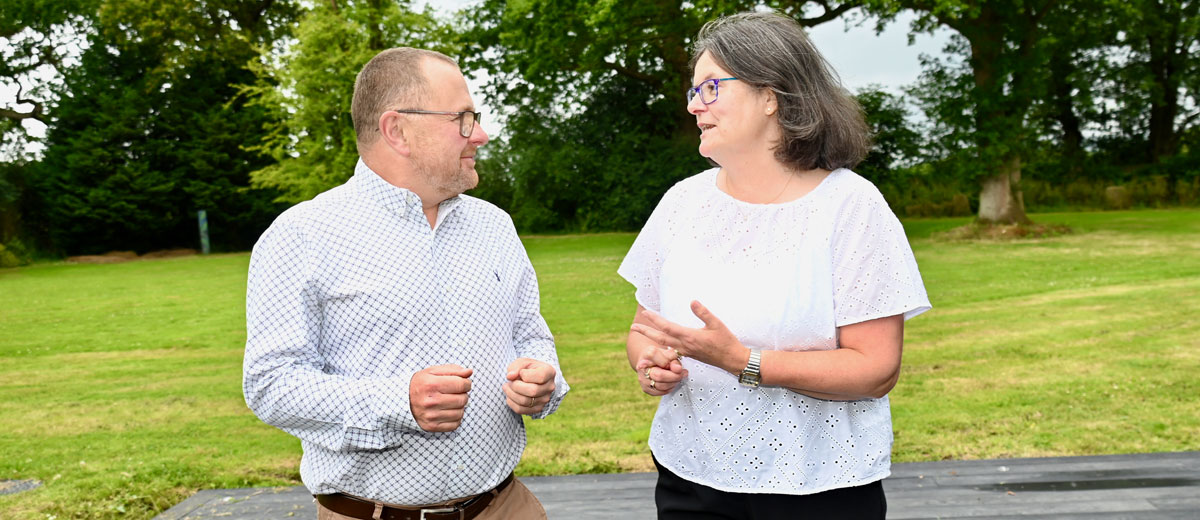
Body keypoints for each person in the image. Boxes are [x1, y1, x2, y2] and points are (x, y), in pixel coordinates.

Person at [618, 11, 931, 519]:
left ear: (772, 95)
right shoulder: (680, 202)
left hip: (819, 489)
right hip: (688, 481)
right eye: (693, 92)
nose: (695, 105)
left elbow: (874, 369)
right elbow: (642, 327)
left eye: (711, 88)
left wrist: (743, 362)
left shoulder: (851, 206)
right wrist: (650, 363)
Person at [243, 47, 569, 520]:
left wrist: (542, 379)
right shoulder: (302, 236)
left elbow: (530, 334)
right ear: (397, 130)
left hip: (504, 506)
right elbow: (271, 385)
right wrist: (399, 403)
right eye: (462, 118)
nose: (481, 133)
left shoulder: (495, 226)